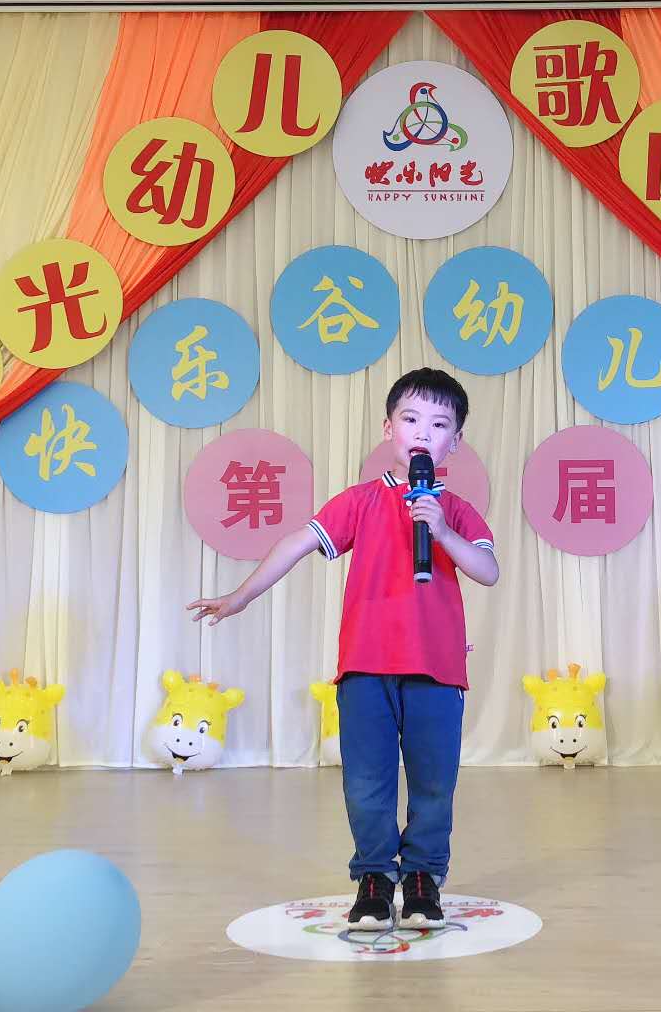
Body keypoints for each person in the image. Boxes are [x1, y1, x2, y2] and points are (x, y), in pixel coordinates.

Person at [187, 368, 498, 929]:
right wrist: (240, 596)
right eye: (410, 419)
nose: (423, 432)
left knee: (434, 782)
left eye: (439, 424)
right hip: (365, 667)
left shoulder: (454, 510)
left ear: (456, 441)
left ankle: (423, 878)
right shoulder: (359, 501)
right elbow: (296, 543)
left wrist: (441, 532)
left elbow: (487, 570)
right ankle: (374, 877)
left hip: (438, 669)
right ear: (388, 428)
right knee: (366, 781)